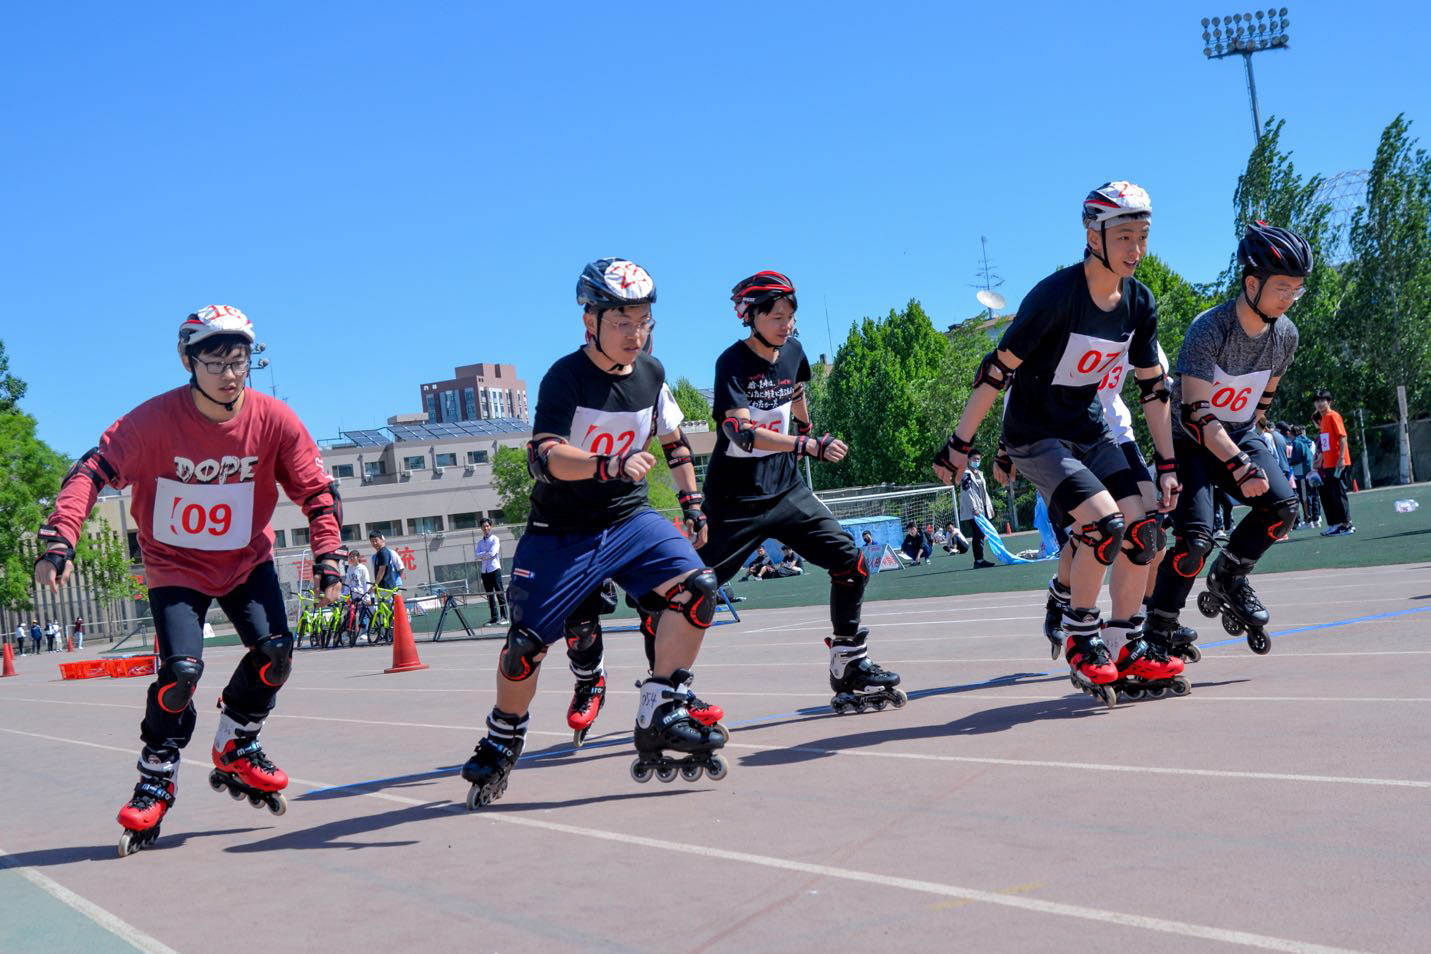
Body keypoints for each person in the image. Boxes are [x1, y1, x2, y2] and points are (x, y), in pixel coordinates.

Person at [34, 304, 345, 855]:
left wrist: (329, 556)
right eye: (215, 363)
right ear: (187, 362)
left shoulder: (275, 420)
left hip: (245, 559)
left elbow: (318, 492)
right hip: (175, 565)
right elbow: (90, 471)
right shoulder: (152, 422)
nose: (230, 374)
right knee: (181, 673)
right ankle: (156, 776)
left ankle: (237, 743)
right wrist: (61, 539)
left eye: (240, 361)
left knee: (276, 653)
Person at [459, 258, 726, 809]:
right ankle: (504, 735)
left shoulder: (652, 373)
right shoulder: (566, 376)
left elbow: (674, 442)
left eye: (643, 322)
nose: (635, 334)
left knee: (698, 589)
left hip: (629, 519)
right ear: (590, 321)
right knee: (524, 648)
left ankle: (662, 704)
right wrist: (608, 465)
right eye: (623, 322)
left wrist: (692, 503)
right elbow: (544, 456)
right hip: (561, 530)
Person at [935, 181, 1182, 707]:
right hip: (1036, 435)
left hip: (1090, 428)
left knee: (1144, 529)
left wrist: (1167, 464)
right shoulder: (1055, 296)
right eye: (1125, 237)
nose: (1136, 249)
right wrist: (960, 443)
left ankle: (1124, 640)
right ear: (1093, 236)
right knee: (1103, 524)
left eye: (1143, 237)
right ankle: (1081, 634)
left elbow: (1153, 389)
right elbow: (995, 371)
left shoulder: (1139, 302)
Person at [1146, 224, 1309, 657]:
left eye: (1296, 290)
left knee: (1283, 508)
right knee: (1195, 542)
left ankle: (1230, 577)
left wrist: (1248, 448)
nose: (1289, 298)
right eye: (1282, 288)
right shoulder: (1210, 328)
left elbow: (1264, 396)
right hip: (1188, 440)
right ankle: (1159, 627)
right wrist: (1240, 463)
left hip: (1237, 433)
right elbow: (1195, 413)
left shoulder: (1286, 335)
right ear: (1252, 284)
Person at [1314, 390, 1355, 536]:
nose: (1319, 404)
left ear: (1329, 402)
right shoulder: (1323, 419)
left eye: (1322, 400)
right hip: (1329, 463)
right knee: (1332, 494)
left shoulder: (1333, 416)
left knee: (1339, 493)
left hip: (1338, 462)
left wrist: (1341, 458)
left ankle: (1347, 524)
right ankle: (1338, 524)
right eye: (1317, 401)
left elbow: (1342, 437)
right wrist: (1321, 459)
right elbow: (1326, 443)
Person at [959, 450, 996, 569]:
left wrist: (990, 507)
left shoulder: (980, 474)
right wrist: (974, 508)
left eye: (978, 459)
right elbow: (967, 492)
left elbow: (984, 492)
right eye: (974, 459)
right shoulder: (966, 474)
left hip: (983, 508)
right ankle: (978, 560)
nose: (977, 461)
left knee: (981, 533)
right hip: (974, 510)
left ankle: (980, 559)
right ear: (968, 459)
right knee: (978, 532)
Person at [474, 518, 508, 624]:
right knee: (490, 595)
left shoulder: (495, 539)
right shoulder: (480, 542)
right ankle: (494, 618)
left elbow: (492, 553)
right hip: (484, 571)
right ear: (481, 528)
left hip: (494, 569)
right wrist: (486, 553)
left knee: (499, 593)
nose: (485, 528)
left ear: (490, 526)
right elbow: (476, 555)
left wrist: (482, 555)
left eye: (487, 526)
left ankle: (505, 617)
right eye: (483, 526)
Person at [1288, 424, 1321, 528]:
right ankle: (1316, 519)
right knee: (1313, 495)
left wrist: (1287, 460)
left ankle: (1308, 520)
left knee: (1305, 497)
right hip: (1310, 471)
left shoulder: (1296, 442)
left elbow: (1296, 458)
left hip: (1302, 473)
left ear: (1291, 433)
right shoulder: (1307, 440)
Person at [342, 549, 372, 640]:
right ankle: (348, 633)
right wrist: (345, 593)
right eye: (350, 557)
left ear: (358, 557)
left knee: (363, 614)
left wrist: (367, 596)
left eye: (353, 556)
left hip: (361, 594)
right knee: (349, 614)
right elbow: (348, 582)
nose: (351, 558)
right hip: (353, 595)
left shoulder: (362, 568)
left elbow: (366, 583)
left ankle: (364, 632)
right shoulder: (350, 568)